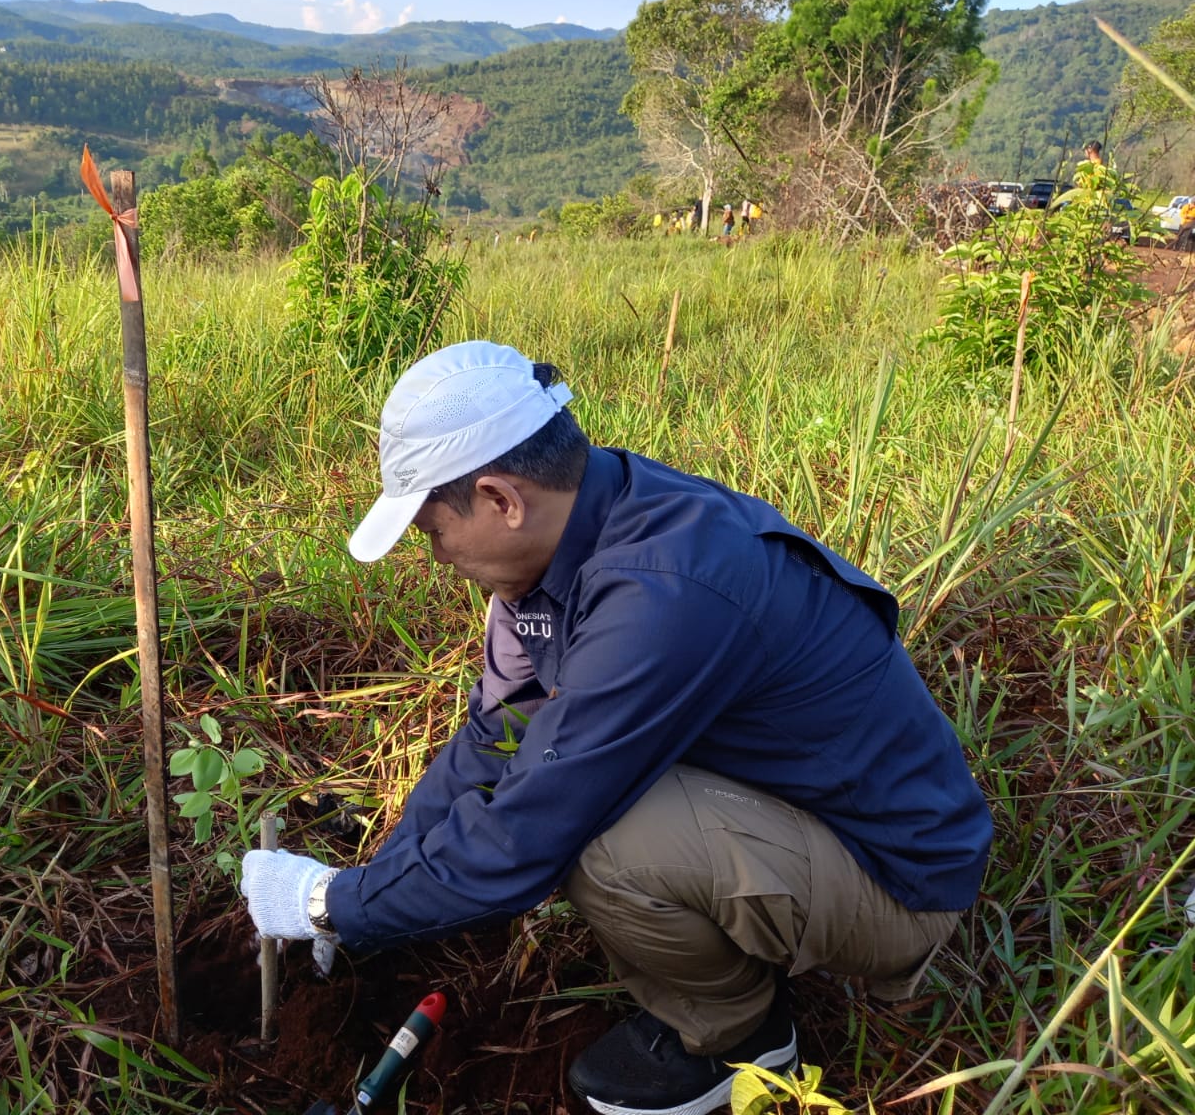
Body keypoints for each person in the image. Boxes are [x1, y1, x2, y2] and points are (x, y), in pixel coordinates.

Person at [241, 342, 993, 1115]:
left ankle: (738, 1040)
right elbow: (493, 738)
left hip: (895, 876)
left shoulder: (663, 592)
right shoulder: (563, 547)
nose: (436, 557)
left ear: (502, 500)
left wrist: (331, 905)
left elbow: (526, 837)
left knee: (600, 843)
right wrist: (374, 882)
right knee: (566, 787)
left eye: (434, 531)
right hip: (789, 806)